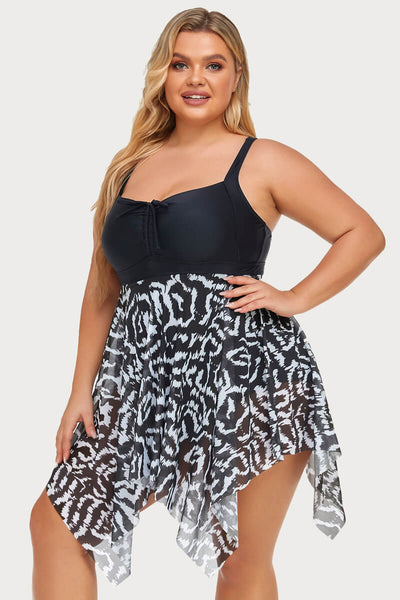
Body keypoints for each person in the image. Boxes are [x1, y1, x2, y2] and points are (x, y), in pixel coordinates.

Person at [29, 7, 385, 600]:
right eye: (181, 64)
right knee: (55, 522)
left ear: (236, 76)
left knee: (240, 560)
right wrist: (79, 391)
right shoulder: (127, 169)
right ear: (162, 76)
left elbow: (362, 233)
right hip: (143, 390)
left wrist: (292, 297)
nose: (196, 78)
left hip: (251, 382)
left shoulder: (262, 159)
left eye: (213, 65)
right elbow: (102, 288)